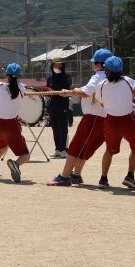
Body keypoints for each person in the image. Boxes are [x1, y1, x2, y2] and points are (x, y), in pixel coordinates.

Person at [48, 49, 114, 187]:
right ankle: (76, 175)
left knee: (76, 146)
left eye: (94, 62)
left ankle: (64, 176)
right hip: (106, 119)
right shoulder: (114, 78)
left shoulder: (98, 76)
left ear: (99, 64)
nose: (93, 65)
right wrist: (70, 92)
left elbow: (85, 92)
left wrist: (74, 91)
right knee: (87, 147)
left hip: (92, 118)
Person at [93, 56, 135, 189]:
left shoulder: (101, 85)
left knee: (109, 150)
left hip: (110, 121)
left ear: (106, 70)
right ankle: (130, 176)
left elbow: (101, 102)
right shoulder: (127, 80)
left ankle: (103, 179)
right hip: (128, 120)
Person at [0, 63, 30, 182]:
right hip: (11, 125)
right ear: (19, 76)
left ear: (6, 75)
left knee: (2, 149)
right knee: (26, 155)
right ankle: (16, 164)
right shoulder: (21, 88)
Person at [46, 59, 72, 158]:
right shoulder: (50, 79)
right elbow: (48, 90)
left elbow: (66, 88)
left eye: (59, 65)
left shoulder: (66, 76)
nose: (57, 67)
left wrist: (55, 91)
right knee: (55, 128)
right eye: (55, 65)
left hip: (63, 105)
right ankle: (57, 149)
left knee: (63, 128)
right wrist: (48, 91)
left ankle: (64, 149)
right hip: (52, 105)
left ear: (62, 66)